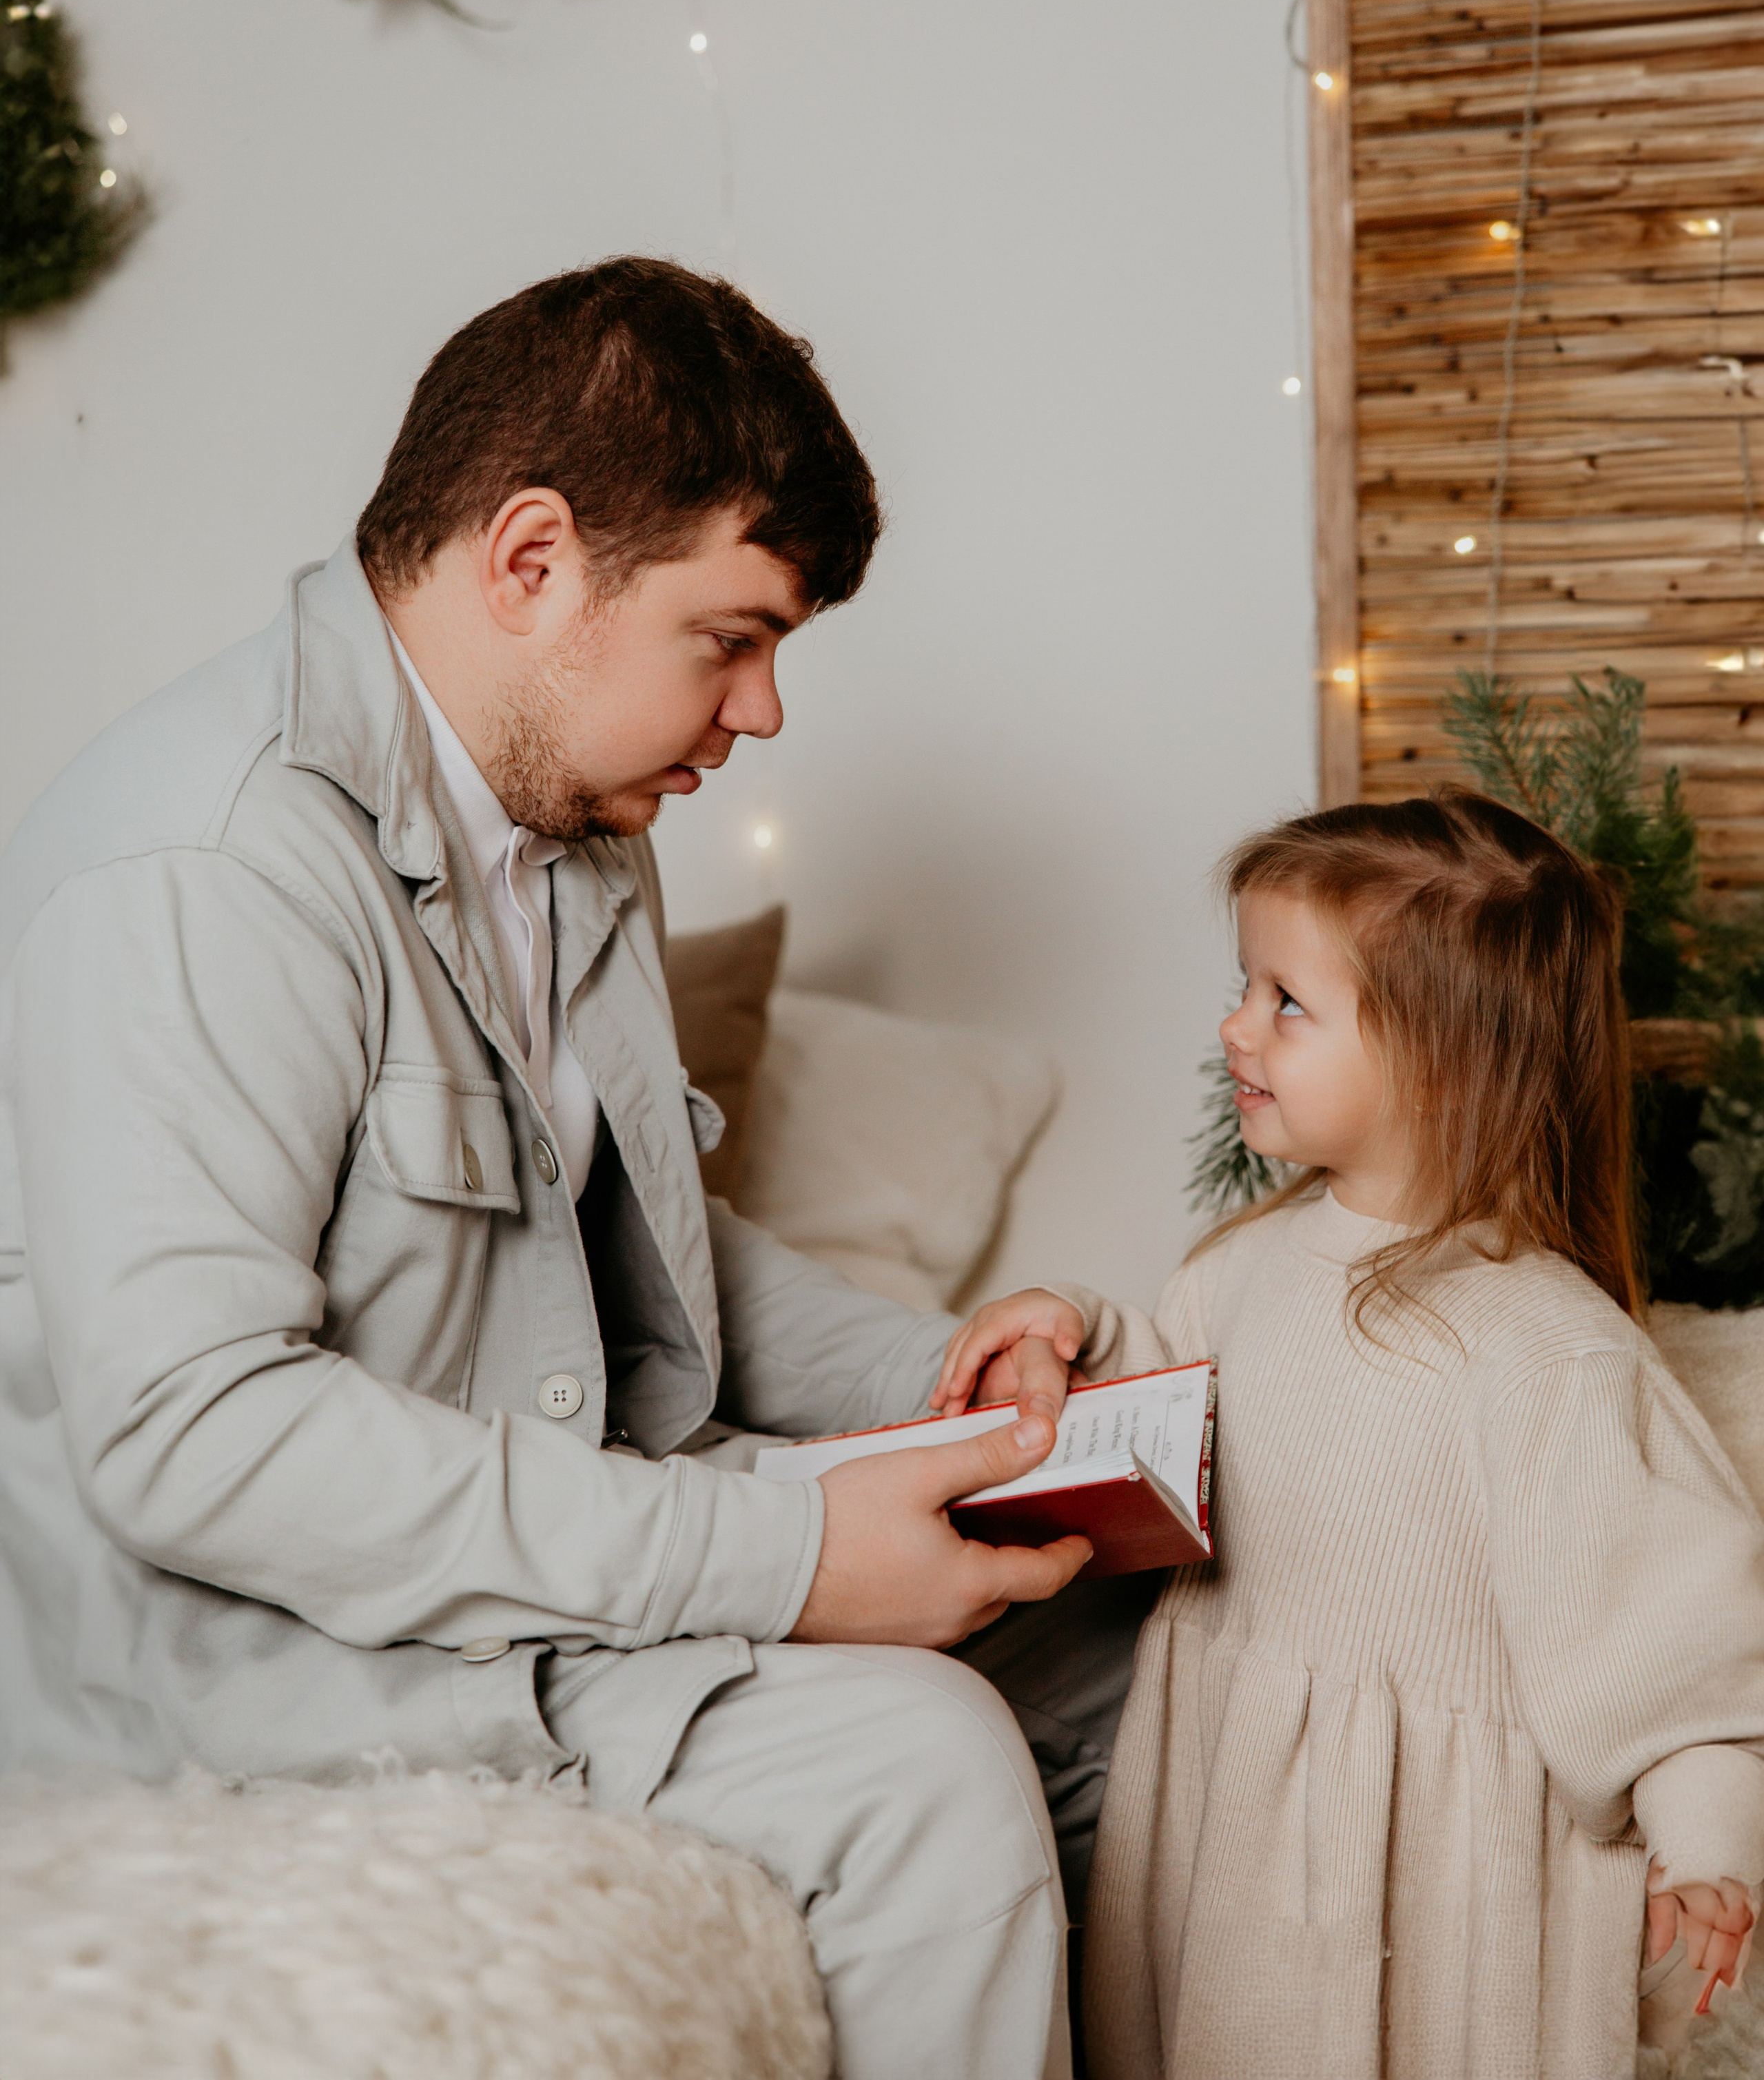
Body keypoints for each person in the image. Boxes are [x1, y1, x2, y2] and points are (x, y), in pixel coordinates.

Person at [0, 257, 1142, 2080]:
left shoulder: (572, 826)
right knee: (916, 1767)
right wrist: (775, 1550)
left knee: (1118, 1636)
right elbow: (194, 1441)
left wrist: (926, 1384)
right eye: (733, 636)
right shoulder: (205, 864)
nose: (762, 713)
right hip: (279, 1645)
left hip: (532, 1534)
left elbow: (632, 1225)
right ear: (533, 562)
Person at [933, 793, 1764, 2079]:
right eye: (1245, 986)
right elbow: (1184, 1418)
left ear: (1441, 1055)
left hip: (1431, 1883)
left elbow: (1670, 1629)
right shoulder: (1251, 1261)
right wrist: (1081, 1332)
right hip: (1232, 1817)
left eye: (1286, 1002)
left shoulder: (1544, 1342)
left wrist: (1708, 1841)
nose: (1235, 1026)